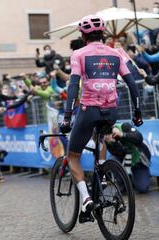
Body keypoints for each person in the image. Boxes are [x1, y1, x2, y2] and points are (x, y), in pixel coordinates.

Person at [59, 15, 143, 223]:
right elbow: (132, 84)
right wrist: (137, 112)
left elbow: (73, 86)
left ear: (83, 34)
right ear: (103, 33)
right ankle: (103, 171)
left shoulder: (79, 54)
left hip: (89, 110)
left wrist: (67, 117)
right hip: (111, 110)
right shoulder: (115, 53)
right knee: (101, 137)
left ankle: (86, 198)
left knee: (73, 156)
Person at [105, 122, 151, 193]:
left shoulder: (124, 126)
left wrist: (122, 134)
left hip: (138, 161)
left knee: (142, 189)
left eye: (110, 132)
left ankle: (136, 179)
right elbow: (119, 153)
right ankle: (123, 185)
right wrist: (115, 143)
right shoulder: (107, 140)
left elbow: (139, 138)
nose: (108, 135)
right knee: (112, 160)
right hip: (124, 161)